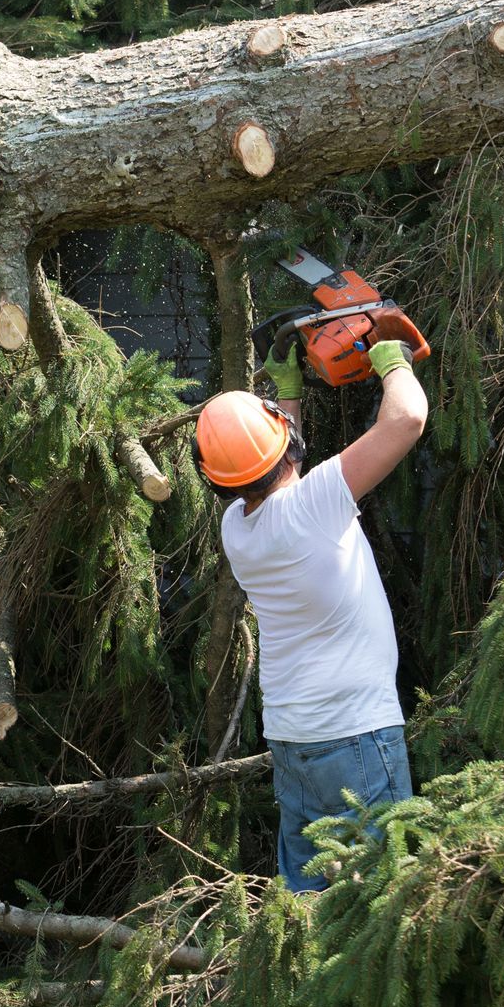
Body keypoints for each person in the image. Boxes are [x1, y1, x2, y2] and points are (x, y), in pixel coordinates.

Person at [191, 338, 428, 892]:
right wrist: (392, 360)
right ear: (287, 445)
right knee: (380, 901)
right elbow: (408, 418)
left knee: (310, 901)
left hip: (294, 739)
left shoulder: (237, 528)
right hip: (355, 736)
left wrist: (289, 394)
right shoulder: (316, 504)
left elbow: (281, 473)